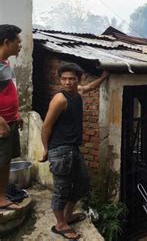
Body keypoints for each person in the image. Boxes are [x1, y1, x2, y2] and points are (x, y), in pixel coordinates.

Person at [40, 63, 110, 240]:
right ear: (60, 80)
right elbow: (46, 127)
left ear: (78, 79)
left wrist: (104, 77)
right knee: (61, 189)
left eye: (71, 79)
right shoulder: (60, 99)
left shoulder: (77, 93)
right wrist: (46, 150)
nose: (67, 82)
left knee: (83, 183)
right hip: (60, 150)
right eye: (64, 79)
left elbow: (90, 87)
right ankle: (60, 224)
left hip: (73, 149)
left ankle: (68, 215)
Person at [0, 24, 23, 211]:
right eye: (18, 42)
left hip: (11, 119)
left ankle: (2, 195)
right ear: (6, 42)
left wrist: (16, 114)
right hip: (2, 123)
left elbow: (8, 91)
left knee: (6, 160)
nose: (20, 45)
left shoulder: (6, 63)